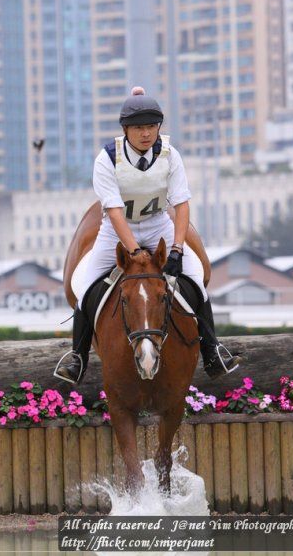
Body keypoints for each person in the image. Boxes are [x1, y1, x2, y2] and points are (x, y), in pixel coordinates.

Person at [54, 87, 241, 384]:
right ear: (125, 130)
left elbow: (181, 204)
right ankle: (78, 358)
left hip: (157, 223)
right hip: (116, 230)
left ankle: (212, 351)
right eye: (139, 128)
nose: (146, 133)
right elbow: (114, 212)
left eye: (152, 126)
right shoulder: (107, 159)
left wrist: (177, 248)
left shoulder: (170, 154)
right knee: (86, 286)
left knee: (195, 279)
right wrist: (134, 251)